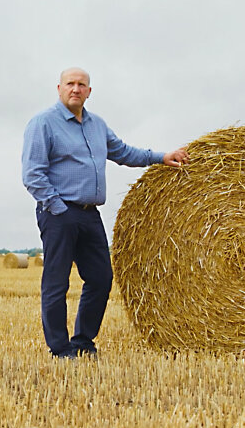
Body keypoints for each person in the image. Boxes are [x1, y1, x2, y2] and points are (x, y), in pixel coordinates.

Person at [21, 67, 189, 359]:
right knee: (57, 282)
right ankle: (60, 350)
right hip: (59, 212)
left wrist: (162, 157)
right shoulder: (43, 124)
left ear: (89, 92)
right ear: (59, 88)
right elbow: (33, 174)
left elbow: (123, 152)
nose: (76, 89)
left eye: (82, 85)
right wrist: (58, 208)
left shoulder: (97, 125)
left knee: (101, 278)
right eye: (70, 84)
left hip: (89, 214)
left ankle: (83, 342)